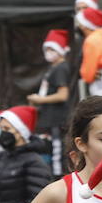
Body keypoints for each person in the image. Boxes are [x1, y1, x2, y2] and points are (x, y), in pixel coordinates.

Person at [29, 30, 73, 175]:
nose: (48, 52)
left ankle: (59, 177)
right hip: (50, 118)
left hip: (58, 118)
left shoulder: (61, 68)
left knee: (58, 152)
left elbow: (62, 95)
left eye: (52, 49)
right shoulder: (53, 68)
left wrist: (40, 99)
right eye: (46, 49)